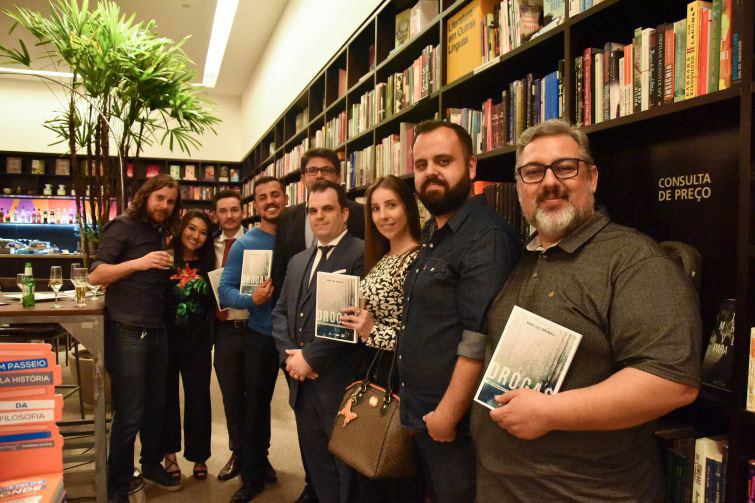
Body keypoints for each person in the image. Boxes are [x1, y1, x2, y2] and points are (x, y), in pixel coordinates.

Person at [470, 119, 701, 501]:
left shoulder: (633, 260)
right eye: (533, 172)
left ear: (591, 178)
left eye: (565, 167)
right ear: (520, 188)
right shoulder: (523, 257)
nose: (549, 182)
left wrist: (551, 412)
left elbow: (670, 383)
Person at [397, 120, 522, 502]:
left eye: (443, 161)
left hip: (456, 423)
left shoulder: (487, 237)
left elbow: (479, 336)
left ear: (470, 167)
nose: (430, 172)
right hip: (421, 409)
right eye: (421, 165)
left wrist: (448, 414)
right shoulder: (436, 233)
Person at [270, 147, 363, 503]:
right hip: (301, 385)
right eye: (312, 211)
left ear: (343, 214)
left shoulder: (360, 254)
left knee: (345, 472)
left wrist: (310, 359)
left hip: (337, 383)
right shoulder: (297, 261)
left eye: (327, 210)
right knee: (316, 465)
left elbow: (348, 321)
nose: (319, 217)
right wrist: (290, 357)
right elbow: (280, 313)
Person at [88, 174, 183, 502]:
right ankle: (117, 482)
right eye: (160, 199)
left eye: (170, 202)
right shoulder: (123, 225)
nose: (165, 206)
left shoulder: (160, 231)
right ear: (145, 197)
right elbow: (96, 274)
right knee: (130, 411)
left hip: (156, 330)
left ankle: (151, 465)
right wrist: (140, 262)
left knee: (157, 406)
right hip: (127, 330)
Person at [340, 175, 424, 502]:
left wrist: (372, 330)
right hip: (372, 366)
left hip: (398, 373)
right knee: (367, 456)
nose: (383, 215)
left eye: (391, 205)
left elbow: (420, 333)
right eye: (375, 209)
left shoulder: (418, 259)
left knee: (392, 462)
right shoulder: (383, 257)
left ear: (409, 207)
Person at [218, 177, 288, 502]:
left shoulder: (301, 238)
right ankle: (252, 475)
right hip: (261, 336)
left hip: (298, 341)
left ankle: (320, 481)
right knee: (256, 408)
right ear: (255, 205)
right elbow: (225, 290)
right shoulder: (245, 244)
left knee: (309, 409)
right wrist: (252, 299)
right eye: (263, 197)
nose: (270, 200)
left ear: (286, 198)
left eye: (275, 194)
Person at [161, 210, 215, 482]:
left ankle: (199, 456)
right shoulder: (164, 258)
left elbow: (215, 301)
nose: (196, 236)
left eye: (203, 232)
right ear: (182, 228)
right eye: (191, 229)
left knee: (199, 399)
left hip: (198, 342)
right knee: (167, 399)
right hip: (166, 341)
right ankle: (169, 455)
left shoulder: (210, 262)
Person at [210, 189, 250, 482]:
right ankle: (238, 452)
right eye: (223, 210)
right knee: (232, 397)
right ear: (216, 215)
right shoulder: (206, 247)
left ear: (243, 211)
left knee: (258, 397)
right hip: (224, 331)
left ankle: (260, 456)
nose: (229, 216)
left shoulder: (259, 241)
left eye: (234, 209)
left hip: (256, 329)